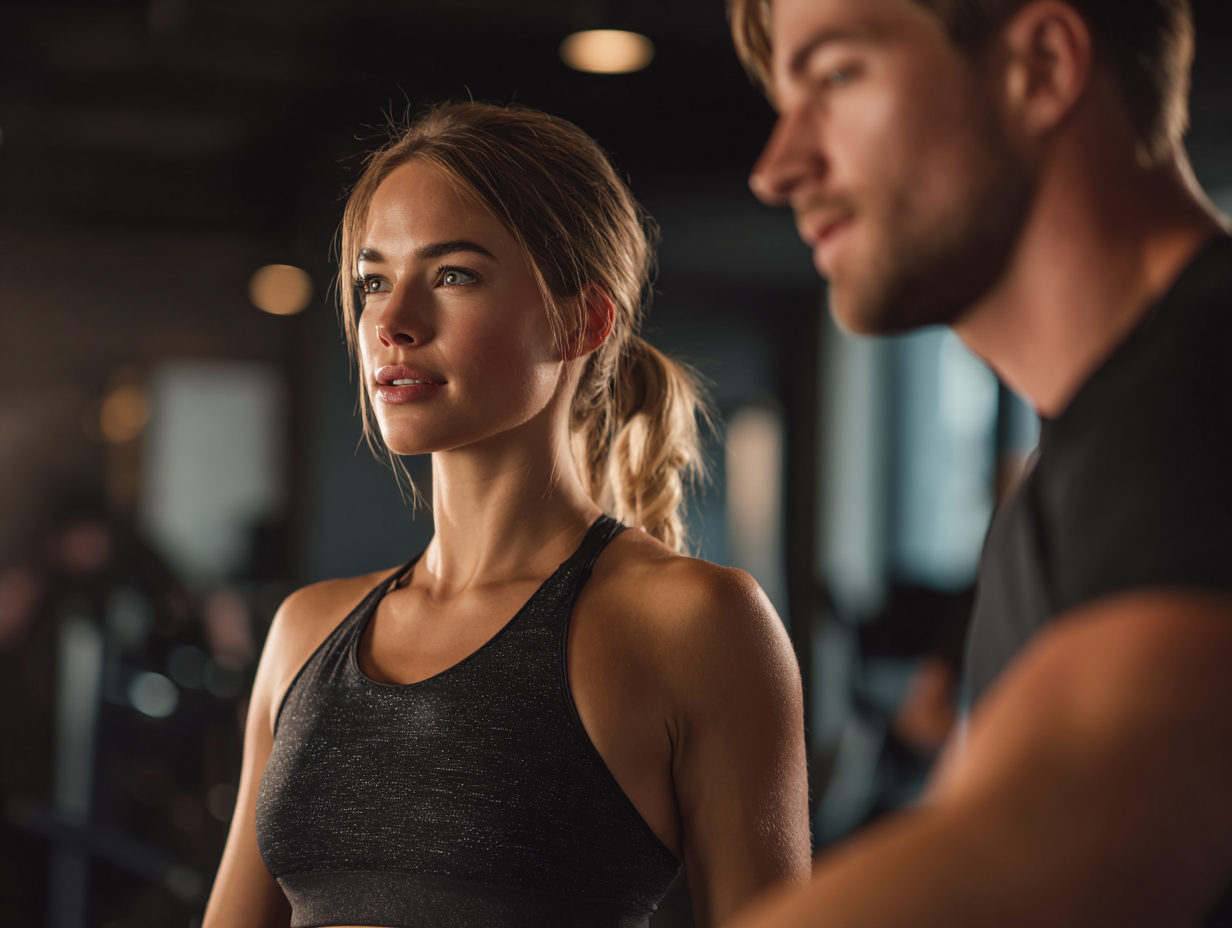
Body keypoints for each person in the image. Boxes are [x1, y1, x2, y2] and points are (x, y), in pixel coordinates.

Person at [202, 102, 811, 928]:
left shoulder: (696, 624)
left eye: (453, 274)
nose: (393, 323)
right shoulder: (305, 633)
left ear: (581, 320)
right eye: (374, 281)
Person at [724, 0, 1232, 926]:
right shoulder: (1075, 479)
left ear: (1039, 65)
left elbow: (1049, 837)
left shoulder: (1205, 395)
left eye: (836, 77)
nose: (777, 168)